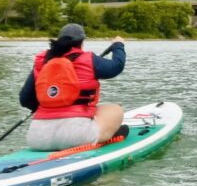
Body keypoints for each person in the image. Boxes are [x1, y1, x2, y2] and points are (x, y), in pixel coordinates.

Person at [19, 23, 127, 151]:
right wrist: (118, 45)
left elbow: (25, 99)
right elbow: (116, 66)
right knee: (116, 109)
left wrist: (51, 105)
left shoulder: (43, 61)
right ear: (82, 42)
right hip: (76, 136)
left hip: (37, 137)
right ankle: (105, 135)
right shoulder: (89, 60)